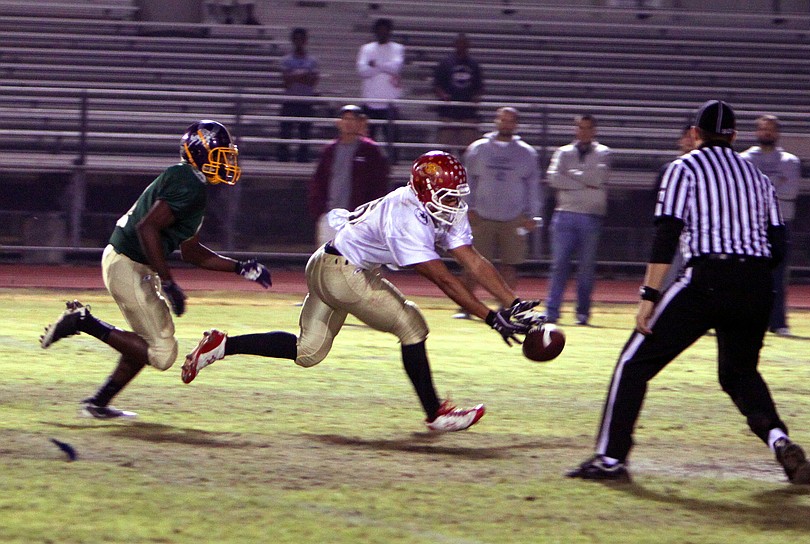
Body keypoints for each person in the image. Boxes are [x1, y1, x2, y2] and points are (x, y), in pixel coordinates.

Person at [180, 151, 544, 432]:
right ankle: (436, 413)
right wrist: (491, 318)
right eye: (447, 196)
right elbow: (443, 279)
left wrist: (510, 302)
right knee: (413, 327)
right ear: (424, 192)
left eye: (456, 197)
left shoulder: (440, 206)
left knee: (307, 352)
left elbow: (473, 261)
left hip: (328, 264)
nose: (454, 204)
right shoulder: (407, 215)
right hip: (343, 273)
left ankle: (223, 344)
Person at [567, 100, 810, 485]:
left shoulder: (684, 168)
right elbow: (779, 244)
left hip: (707, 277)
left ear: (696, 134)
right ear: (734, 135)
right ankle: (778, 438)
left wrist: (649, 295)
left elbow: (667, 235)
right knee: (739, 373)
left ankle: (610, 459)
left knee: (634, 364)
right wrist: (748, 278)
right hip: (755, 285)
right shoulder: (757, 176)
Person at [39, 120, 273, 419]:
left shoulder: (194, 186)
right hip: (127, 263)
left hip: (132, 264)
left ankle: (98, 403)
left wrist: (240, 268)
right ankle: (82, 321)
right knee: (163, 354)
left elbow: (192, 252)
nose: (227, 161)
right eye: (220, 154)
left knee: (146, 343)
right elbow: (146, 227)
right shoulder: (187, 182)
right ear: (200, 152)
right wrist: (168, 282)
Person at [452, 106, 541, 320]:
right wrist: (466, 207)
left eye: (511, 121)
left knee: (509, 265)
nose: (506, 124)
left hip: (514, 216)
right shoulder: (478, 148)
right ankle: (466, 307)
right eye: (503, 120)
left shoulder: (526, 153)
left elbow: (533, 185)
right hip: (481, 214)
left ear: (516, 124)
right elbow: (467, 180)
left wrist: (533, 214)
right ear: (496, 121)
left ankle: (506, 307)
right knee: (472, 264)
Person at [544, 114, 611, 326]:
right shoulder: (562, 152)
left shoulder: (604, 152)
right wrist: (583, 180)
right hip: (564, 214)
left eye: (588, 128)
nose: (583, 132)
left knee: (586, 268)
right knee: (559, 266)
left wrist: (571, 176)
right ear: (575, 129)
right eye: (580, 128)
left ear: (594, 130)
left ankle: (582, 314)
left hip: (591, 216)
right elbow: (553, 178)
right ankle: (551, 313)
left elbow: (598, 179)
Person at [740, 115, 801, 337]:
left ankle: (777, 323)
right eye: (763, 129)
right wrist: (775, 185)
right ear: (757, 132)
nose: (767, 133)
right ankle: (747, 319)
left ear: (777, 133)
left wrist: (761, 187)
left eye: (771, 129)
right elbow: (742, 193)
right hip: (751, 224)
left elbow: (790, 192)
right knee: (747, 275)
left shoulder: (790, 161)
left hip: (781, 224)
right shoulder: (744, 159)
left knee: (777, 275)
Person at [309, 105, 389, 248]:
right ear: (338, 122)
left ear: (360, 123)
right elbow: (319, 181)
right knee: (326, 261)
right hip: (330, 215)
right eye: (345, 118)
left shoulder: (370, 150)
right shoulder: (330, 150)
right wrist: (318, 210)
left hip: (358, 218)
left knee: (356, 263)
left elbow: (379, 184)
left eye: (353, 119)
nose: (348, 123)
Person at [655, 124, 696, 292]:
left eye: (694, 137)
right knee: (666, 280)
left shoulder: (703, 171)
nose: (690, 140)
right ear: (680, 140)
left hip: (695, 235)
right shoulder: (668, 169)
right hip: (673, 233)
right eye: (687, 136)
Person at [356, 18, 404, 161]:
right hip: (370, 101)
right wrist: (385, 67)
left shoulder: (397, 48)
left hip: (390, 102)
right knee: (367, 140)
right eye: (380, 30)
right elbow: (362, 71)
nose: (382, 33)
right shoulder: (366, 49)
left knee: (392, 139)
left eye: (385, 30)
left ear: (390, 32)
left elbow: (396, 68)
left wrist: (375, 64)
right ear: (375, 32)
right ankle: (367, 165)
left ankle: (392, 164)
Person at [433, 33, 484, 155]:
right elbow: (436, 84)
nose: (462, 47)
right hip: (448, 112)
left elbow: (480, 86)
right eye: (459, 44)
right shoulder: (445, 63)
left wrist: (476, 98)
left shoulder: (474, 64)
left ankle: (466, 171)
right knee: (444, 147)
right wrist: (443, 95)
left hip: (468, 112)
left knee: (468, 148)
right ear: (455, 45)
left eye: (464, 45)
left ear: (468, 46)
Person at [278, 27, 320, 163]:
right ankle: (283, 160)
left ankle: (302, 159)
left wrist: (295, 75)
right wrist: (303, 75)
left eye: (301, 39)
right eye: (296, 39)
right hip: (289, 101)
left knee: (305, 134)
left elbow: (312, 82)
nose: (299, 42)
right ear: (292, 41)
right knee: (285, 132)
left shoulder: (312, 61)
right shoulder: (286, 60)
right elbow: (286, 82)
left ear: (305, 41)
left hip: (306, 102)